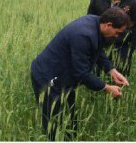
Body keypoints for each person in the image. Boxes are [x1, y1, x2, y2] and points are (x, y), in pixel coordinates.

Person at [30, 7, 130, 140]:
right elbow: (81, 73)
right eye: (117, 33)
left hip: (65, 76)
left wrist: (112, 70)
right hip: (47, 77)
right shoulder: (83, 35)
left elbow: (97, 51)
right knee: (52, 124)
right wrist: (106, 88)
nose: (117, 36)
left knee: (70, 119)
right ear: (108, 25)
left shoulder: (96, 23)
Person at [87, 0, 136, 77]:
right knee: (98, 75)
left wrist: (132, 48)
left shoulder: (132, 3)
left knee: (120, 76)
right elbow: (89, 20)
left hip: (122, 48)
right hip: (100, 46)